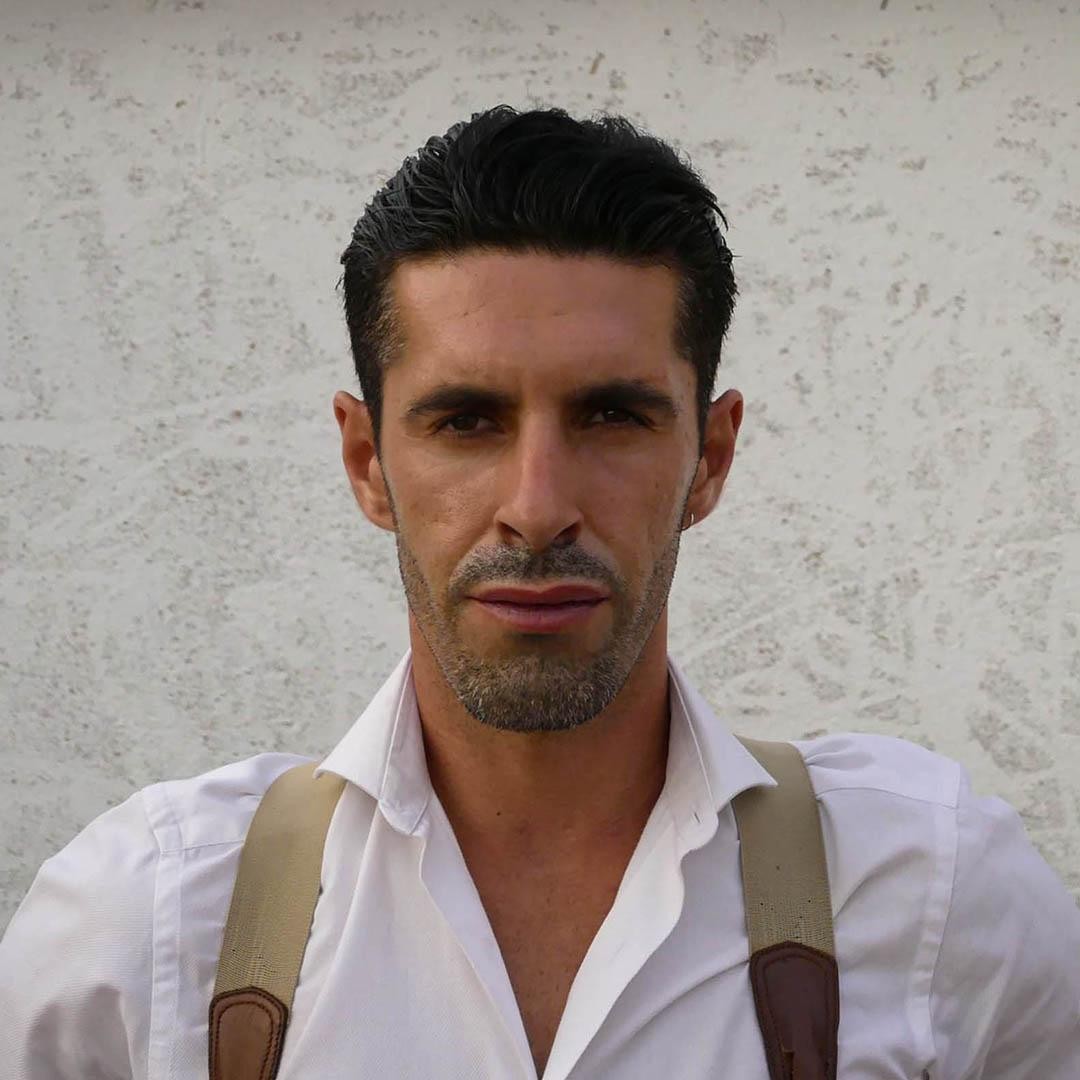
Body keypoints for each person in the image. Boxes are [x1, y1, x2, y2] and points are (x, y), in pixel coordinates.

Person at [1, 105, 1077, 1080]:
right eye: (466, 421)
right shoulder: (146, 922)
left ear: (710, 458)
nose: (537, 505)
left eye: (612, 417)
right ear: (368, 461)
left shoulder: (935, 897)